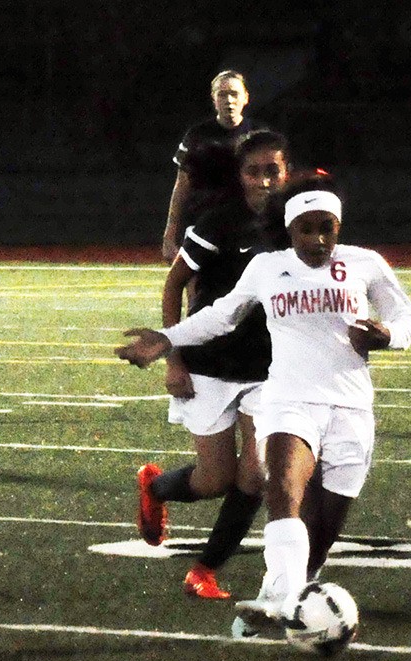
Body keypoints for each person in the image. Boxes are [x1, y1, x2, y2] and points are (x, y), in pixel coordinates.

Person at [116, 176, 411, 633]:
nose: (318, 239)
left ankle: (288, 599)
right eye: (306, 229)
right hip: (289, 398)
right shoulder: (266, 267)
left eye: (327, 228)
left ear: (338, 227)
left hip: (351, 407)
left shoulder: (366, 264)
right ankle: (278, 597)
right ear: (289, 228)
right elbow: (221, 316)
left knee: (321, 537)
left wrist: (389, 335)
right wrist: (167, 339)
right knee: (281, 487)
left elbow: (406, 316)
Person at [138, 129, 292, 600]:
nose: (264, 181)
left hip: (267, 371)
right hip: (207, 365)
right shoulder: (217, 224)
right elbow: (173, 287)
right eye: (254, 171)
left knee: (258, 474)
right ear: (239, 175)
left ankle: (205, 570)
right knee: (214, 481)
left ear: (287, 173)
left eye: (273, 170)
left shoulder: (295, 224)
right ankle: (157, 488)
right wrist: (174, 360)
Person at [162, 69, 267, 263]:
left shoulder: (260, 136)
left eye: (234, 94)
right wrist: (169, 235)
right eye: (222, 94)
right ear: (214, 99)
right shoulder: (197, 137)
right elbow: (181, 187)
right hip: (202, 227)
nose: (229, 100)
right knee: (197, 289)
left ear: (246, 98)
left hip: (247, 229)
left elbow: (274, 186)